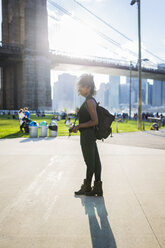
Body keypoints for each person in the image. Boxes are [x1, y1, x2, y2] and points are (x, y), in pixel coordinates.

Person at [72, 74, 103, 196]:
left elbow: (95, 121)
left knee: (90, 162)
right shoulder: (89, 100)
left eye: (82, 86)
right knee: (95, 162)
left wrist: (78, 126)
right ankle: (97, 187)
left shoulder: (90, 101)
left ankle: (87, 187)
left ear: (88, 88)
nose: (79, 89)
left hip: (87, 136)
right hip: (89, 135)